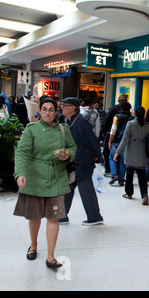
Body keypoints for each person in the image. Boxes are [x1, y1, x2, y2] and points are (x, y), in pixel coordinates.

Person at [13, 98, 77, 271]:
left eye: (51, 109)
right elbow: (22, 153)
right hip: (35, 177)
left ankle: (51, 257)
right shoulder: (31, 129)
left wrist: (67, 154)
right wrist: (20, 173)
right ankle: (33, 245)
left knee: (53, 217)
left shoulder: (63, 129)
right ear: (39, 111)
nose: (47, 113)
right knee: (34, 216)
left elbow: (73, 147)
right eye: (44, 109)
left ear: (56, 112)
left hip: (57, 176)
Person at [60, 97, 104, 226]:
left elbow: (92, 140)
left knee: (83, 187)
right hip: (75, 160)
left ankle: (94, 216)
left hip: (82, 161)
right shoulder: (70, 121)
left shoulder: (81, 122)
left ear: (72, 108)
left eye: (64, 105)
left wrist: (97, 156)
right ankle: (63, 216)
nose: (61, 107)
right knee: (69, 186)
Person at [114, 107, 149, 205]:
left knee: (129, 175)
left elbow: (125, 140)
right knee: (142, 176)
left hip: (131, 152)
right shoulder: (148, 125)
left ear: (135, 113)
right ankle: (144, 195)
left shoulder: (130, 124)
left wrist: (117, 152)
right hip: (142, 153)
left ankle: (129, 193)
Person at [101, 94, 128, 175]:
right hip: (123, 135)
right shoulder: (128, 112)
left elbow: (107, 119)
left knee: (107, 152)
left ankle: (109, 170)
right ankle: (120, 173)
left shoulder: (113, 109)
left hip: (111, 133)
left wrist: (103, 130)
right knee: (121, 154)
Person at [108, 101, 133, 187]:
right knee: (123, 161)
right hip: (127, 142)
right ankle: (121, 180)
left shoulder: (117, 117)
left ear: (121, 108)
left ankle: (114, 175)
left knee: (112, 157)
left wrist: (109, 141)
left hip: (117, 141)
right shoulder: (132, 118)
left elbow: (113, 130)